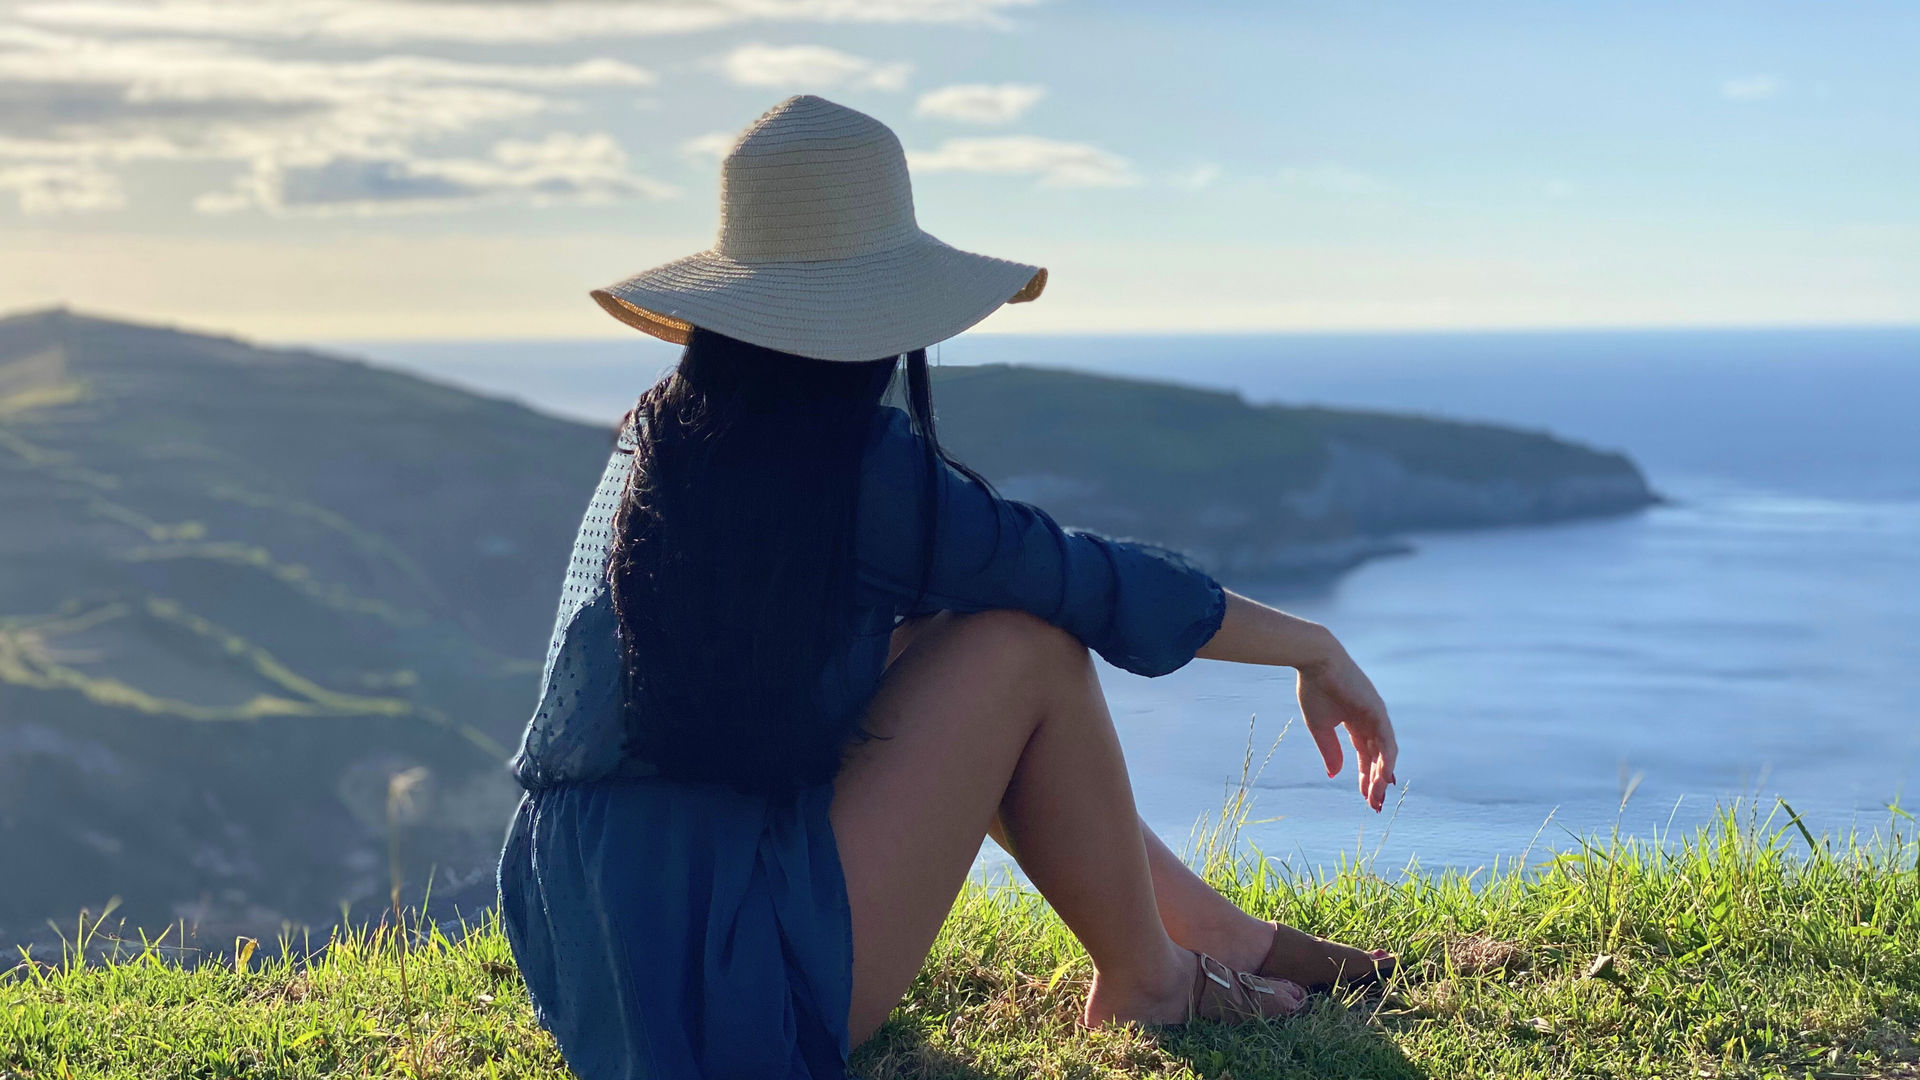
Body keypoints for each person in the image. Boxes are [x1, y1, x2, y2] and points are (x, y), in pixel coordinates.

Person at [497, 95, 1400, 1080]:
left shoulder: (660, 435)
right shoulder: (854, 473)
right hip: (729, 989)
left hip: (588, 944)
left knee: (934, 640)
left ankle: (1219, 937)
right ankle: (1157, 981)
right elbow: (1086, 583)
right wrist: (1314, 647)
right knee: (1024, 652)